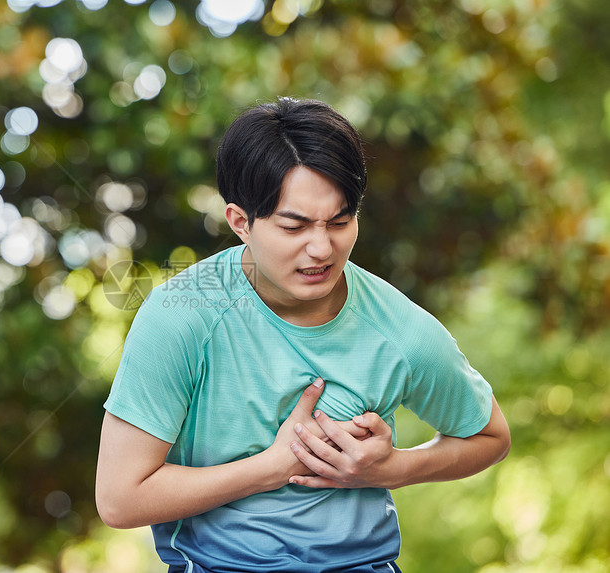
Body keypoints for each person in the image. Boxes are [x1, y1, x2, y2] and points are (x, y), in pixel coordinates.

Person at [95, 97, 510, 573]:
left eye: (340, 221)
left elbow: (490, 437)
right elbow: (119, 499)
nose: (322, 248)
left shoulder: (400, 330)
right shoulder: (180, 318)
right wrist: (271, 468)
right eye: (294, 226)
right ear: (240, 222)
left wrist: (391, 468)